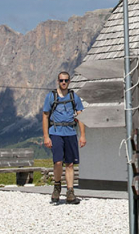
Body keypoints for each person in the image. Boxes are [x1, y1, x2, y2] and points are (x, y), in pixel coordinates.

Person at [43, 71, 86, 204]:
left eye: (66, 80)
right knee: (57, 162)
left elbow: (80, 116)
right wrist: (46, 136)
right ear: (58, 81)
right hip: (55, 132)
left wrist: (82, 135)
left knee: (70, 163)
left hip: (71, 133)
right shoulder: (51, 96)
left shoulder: (74, 97)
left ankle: (70, 191)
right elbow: (45, 116)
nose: (63, 82)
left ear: (69, 81)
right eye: (61, 80)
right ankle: (57, 186)